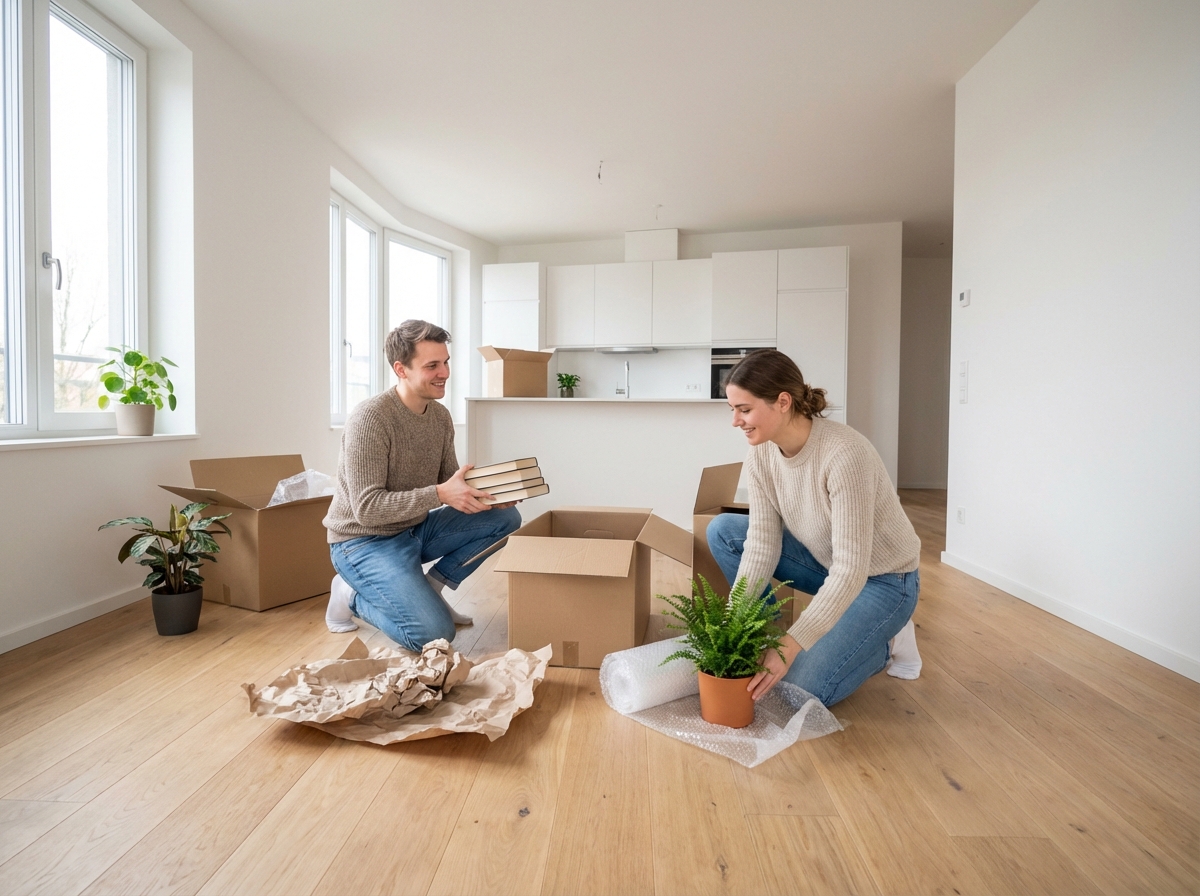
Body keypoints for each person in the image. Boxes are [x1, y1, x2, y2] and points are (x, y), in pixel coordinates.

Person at [707, 349, 923, 707]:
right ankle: (767, 639)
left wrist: (794, 644)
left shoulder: (845, 454)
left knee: (799, 691)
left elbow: (851, 569)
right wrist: (733, 625)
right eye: (732, 409)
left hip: (885, 580)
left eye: (744, 409)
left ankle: (888, 640)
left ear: (782, 402)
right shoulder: (761, 454)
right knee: (725, 531)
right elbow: (761, 545)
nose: (735, 421)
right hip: (828, 563)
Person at [323, 319, 522, 650]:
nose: (444, 372)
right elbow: (368, 509)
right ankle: (350, 596)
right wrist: (440, 493)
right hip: (362, 542)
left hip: (413, 529)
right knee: (434, 635)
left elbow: (449, 482)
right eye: (432, 366)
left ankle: (431, 589)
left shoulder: (439, 417)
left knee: (506, 518)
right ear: (401, 369)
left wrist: (487, 497)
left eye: (445, 362)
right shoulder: (371, 418)